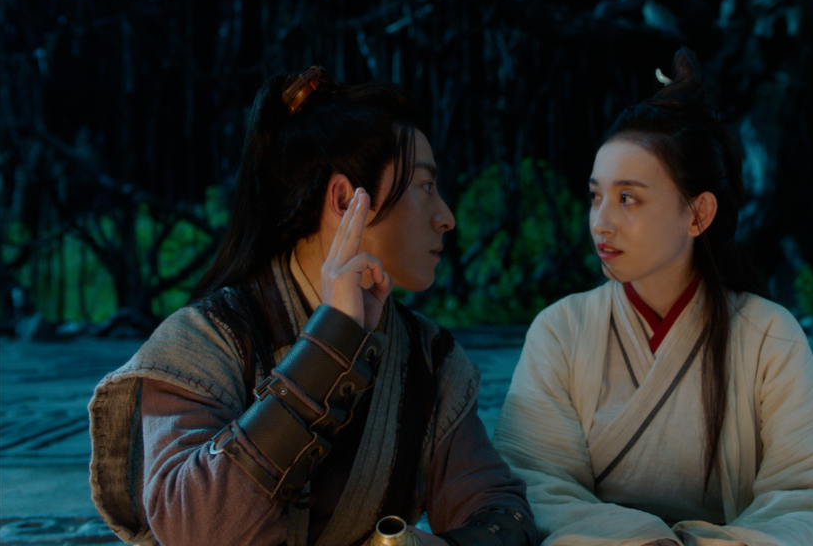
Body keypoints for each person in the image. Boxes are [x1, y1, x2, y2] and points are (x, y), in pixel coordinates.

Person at [89, 66, 540, 546]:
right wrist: (332, 343)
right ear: (345, 199)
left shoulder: (431, 361)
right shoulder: (204, 341)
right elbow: (197, 530)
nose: (446, 217)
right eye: (426, 187)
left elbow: (503, 513)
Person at [492, 49, 813, 546]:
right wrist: (643, 541)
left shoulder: (767, 334)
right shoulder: (560, 331)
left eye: (627, 198)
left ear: (698, 213)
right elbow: (532, 484)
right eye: (596, 196)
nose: (601, 222)